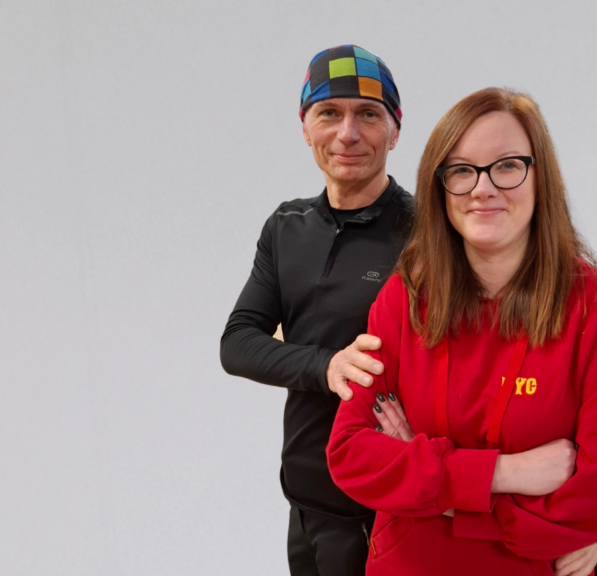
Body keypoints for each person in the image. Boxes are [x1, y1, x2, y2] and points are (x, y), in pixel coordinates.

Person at [326, 88, 597, 576]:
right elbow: (350, 455)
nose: (482, 188)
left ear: (541, 177)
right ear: (440, 187)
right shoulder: (404, 298)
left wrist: (435, 494)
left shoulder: (596, 308)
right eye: (461, 170)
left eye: (507, 166)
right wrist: (504, 474)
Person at [220, 44, 413, 576]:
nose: (347, 133)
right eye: (329, 113)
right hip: (306, 501)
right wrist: (327, 366)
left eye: (368, 114)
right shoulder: (287, 228)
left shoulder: (428, 235)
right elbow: (238, 343)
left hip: (392, 510)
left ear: (395, 131)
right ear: (305, 127)